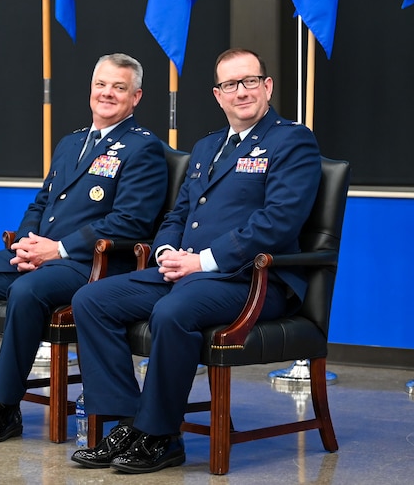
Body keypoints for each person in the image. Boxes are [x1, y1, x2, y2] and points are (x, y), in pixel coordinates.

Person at [69, 48, 321, 474]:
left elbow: (277, 222)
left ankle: (162, 436)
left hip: (254, 280)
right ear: (217, 95)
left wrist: (201, 261)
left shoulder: (292, 140)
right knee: (91, 300)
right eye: (229, 85)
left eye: (249, 81)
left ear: (268, 86)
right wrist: (167, 252)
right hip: (188, 273)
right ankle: (129, 423)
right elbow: (177, 215)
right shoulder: (206, 146)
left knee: (172, 312)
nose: (240, 92)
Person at [0, 53, 168, 445]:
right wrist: (26, 244)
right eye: (101, 84)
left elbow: (130, 222)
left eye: (119, 87)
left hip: (91, 265)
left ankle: (4, 407)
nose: (107, 93)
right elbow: (40, 202)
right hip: (40, 255)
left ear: (136, 96)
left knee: (26, 291)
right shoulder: (71, 143)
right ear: (90, 89)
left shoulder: (144, 149)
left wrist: (58, 249)